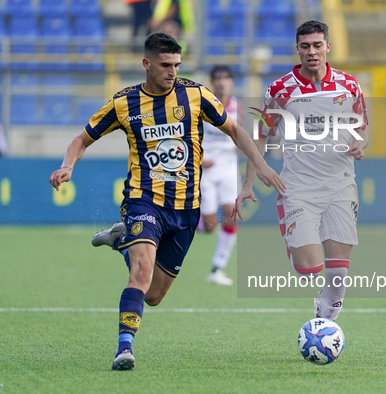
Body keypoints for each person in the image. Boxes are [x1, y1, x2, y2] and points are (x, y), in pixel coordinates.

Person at [49, 33, 284, 371]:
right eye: (165, 65)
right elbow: (81, 138)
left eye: (177, 64)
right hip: (144, 201)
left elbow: (235, 130)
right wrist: (67, 165)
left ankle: (121, 241)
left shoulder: (196, 95)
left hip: (186, 210)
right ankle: (124, 349)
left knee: (154, 296)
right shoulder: (124, 103)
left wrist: (259, 165)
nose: (173, 71)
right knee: (141, 272)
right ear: (147, 64)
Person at [233, 20, 368, 322]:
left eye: (317, 45)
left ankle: (324, 327)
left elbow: (362, 130)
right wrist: (250, 181)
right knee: (309, 270)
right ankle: (296, 249)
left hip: (341, 185)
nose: (312, 52)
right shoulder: (280, 89)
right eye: (305, 46)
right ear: (297, 49)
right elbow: (260, 135)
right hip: (298, 188)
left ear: (328, 47)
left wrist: (361, 145)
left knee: (338, 273)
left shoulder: (349, 85)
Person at [197, 66, 240, 286]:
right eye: (218, 78)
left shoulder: (239, 108)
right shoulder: (203, 106)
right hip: (206, 170)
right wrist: (199, 158)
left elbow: (245, 138)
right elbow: (190, 135)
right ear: (212, 82)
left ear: (232, 82)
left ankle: (217, 268)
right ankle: (194, 222)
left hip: (229, 169)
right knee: (210, 226)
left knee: (231, 216)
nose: (222, 82)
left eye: (226, 78)